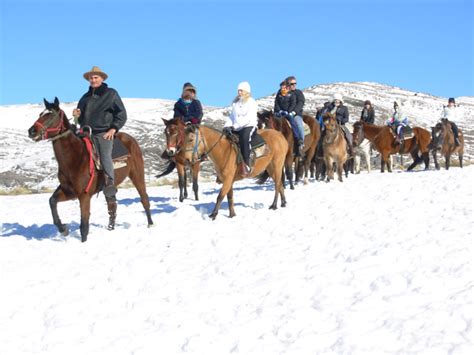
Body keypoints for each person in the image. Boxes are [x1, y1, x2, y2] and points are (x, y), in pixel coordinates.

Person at [72, 66, 127, 199]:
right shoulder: (84, 97)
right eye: (91, 78)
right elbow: (80, 119)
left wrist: (113, 128)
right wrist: (76, 116)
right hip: (86, 132)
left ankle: (109, 183)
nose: (93, 80)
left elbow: (121, 113)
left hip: (103, 132)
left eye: (96, 77)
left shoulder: (111, 93)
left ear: (102, 79)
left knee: (104, 155)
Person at [223, 81, 258, 177]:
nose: (239, 93)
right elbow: (232, 117)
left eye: (241, 90)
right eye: (238, 90)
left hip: (249, 126)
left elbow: (249, 118)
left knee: (244, 138)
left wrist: (235, 126)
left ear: (247, 91)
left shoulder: (251, 102)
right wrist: (227, 126)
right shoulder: (236, 103)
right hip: (237, 126)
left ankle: (247, 164)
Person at [274, 80, 301, 155]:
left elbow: (293, 103)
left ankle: (297, 137)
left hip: (288, 113)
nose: (282, 87)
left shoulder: (291, 94)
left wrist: (289, 111)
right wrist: (278, 110)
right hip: (280, 113)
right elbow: (276, 103)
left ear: (287, 86)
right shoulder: (279, 94)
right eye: (281, 86)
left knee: (292, 122)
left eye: (284, 86)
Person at [286, 76, 305, 155]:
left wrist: (294, 112)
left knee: (299, 124)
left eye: (295, 83)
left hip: (296, 114)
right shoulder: (284, 93)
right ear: (287, 84)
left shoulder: (298, 92)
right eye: (292, 84)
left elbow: (301, 103)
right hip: (285, 114)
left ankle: (301, 143)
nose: (294, 85)